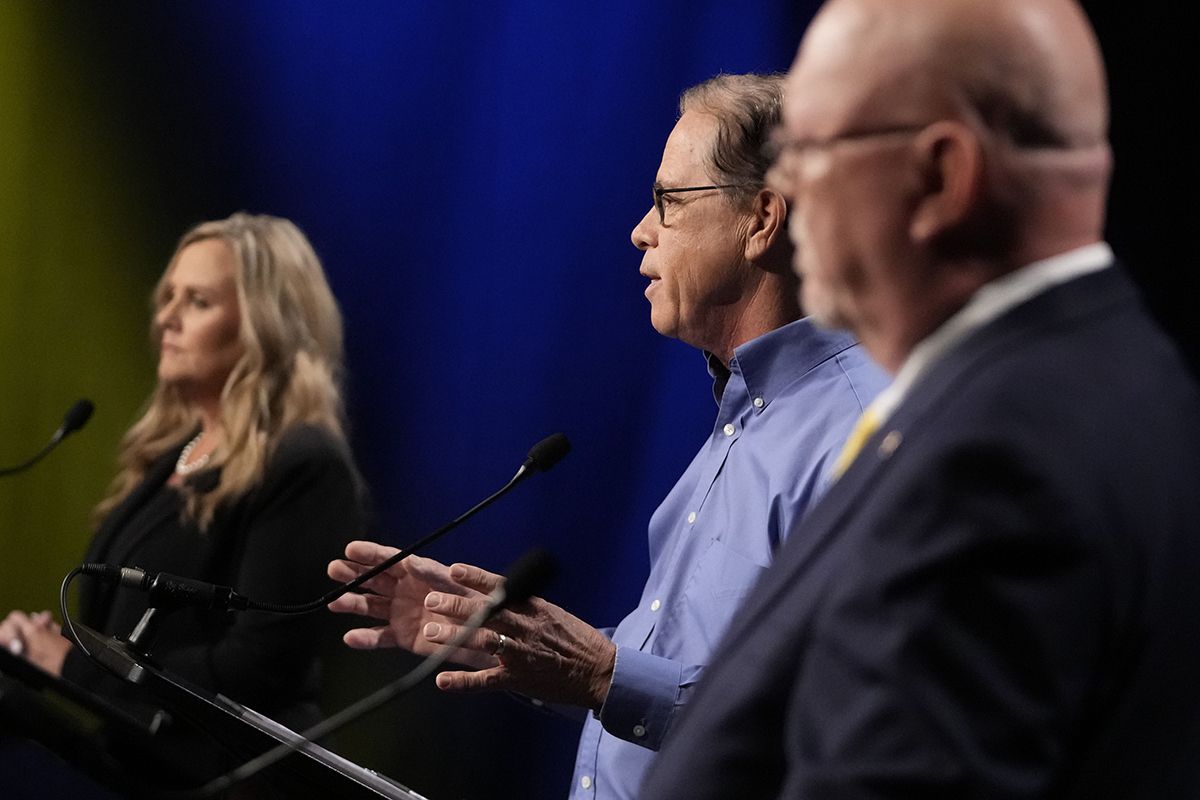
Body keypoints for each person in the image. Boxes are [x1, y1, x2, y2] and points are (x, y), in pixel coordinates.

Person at [639, 1, 1200, 798]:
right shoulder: (1117, 377)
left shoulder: (999, 460)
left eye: (813, 152)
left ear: (939, 176)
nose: (787, 197)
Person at [327, 73, 889, 798]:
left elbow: (835, 727)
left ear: (762, 220)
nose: (641, 229)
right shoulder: (741, 422)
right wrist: (510, 639)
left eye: (668, 201)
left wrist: (602, 672)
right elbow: (677, 687)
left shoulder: (861, 432)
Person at [0, 212, 364, 736]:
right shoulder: (173, 452)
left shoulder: (306, 462)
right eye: (168, 296)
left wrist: (73, 666)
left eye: (198, 301)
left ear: (267, 325)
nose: (166, 318)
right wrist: (40, 647)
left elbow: (259, 667)